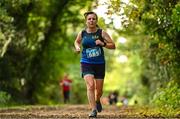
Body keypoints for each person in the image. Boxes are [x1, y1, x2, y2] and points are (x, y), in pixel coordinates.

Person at [74, 11, 116, 118]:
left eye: (93, 19)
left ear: (96, 21)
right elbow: (77, 41)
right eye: (89, 19)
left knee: (99, 90)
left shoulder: (102, 33)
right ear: (86, 21)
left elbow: (113, 45)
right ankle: (93, 110)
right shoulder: (82, 33)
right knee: (90, 85)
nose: (91, 20)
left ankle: (97, 100)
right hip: (86, 62)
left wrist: (103, 44)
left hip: (99, 63)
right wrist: (78, 47)